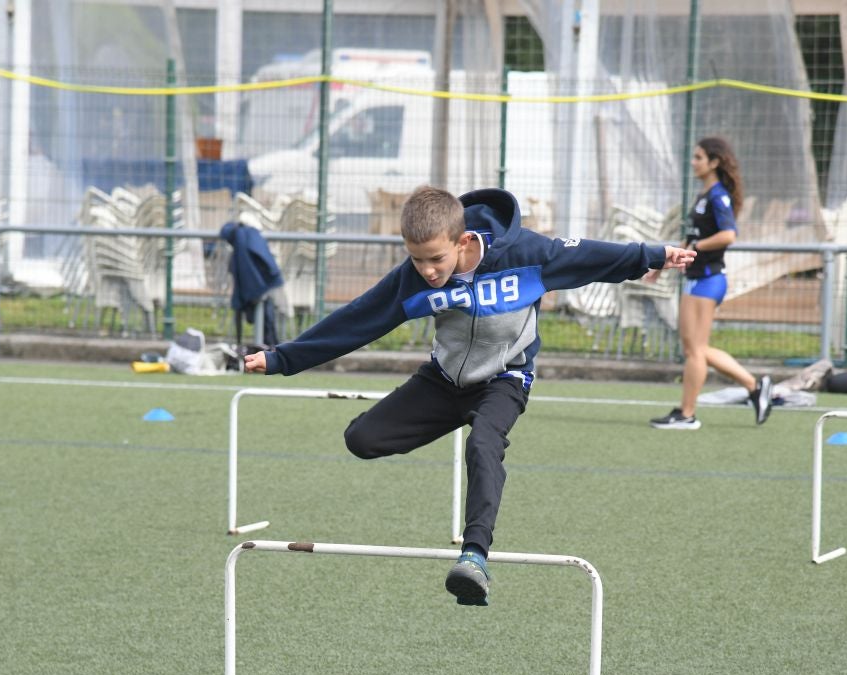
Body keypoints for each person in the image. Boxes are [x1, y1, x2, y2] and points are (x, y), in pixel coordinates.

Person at [244, 185, 694, 606]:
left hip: (505, 380)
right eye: (417, 260)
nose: (427, 271)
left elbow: (591, 256)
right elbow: (358, 319)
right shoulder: (414, 279)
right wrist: (283, 358)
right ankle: (461, 419)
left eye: (435, 259)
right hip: (442, 382)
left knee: (483, 444)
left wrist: (652, 255)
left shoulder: (526, 254)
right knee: (361, 440)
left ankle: (474, 558)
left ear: (462, 242)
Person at [650, 136, 771, 431]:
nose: (693, 162)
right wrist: (662, 264)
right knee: (697, 349)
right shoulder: (704, 195)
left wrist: (698, 247)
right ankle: (755, 386)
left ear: (714, 162)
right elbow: (691, 237)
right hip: (696, 280)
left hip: (708, 280)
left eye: (698, 157)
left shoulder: (718, 196)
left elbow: (729, 234)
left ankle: (687, 414)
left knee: (694, 350)